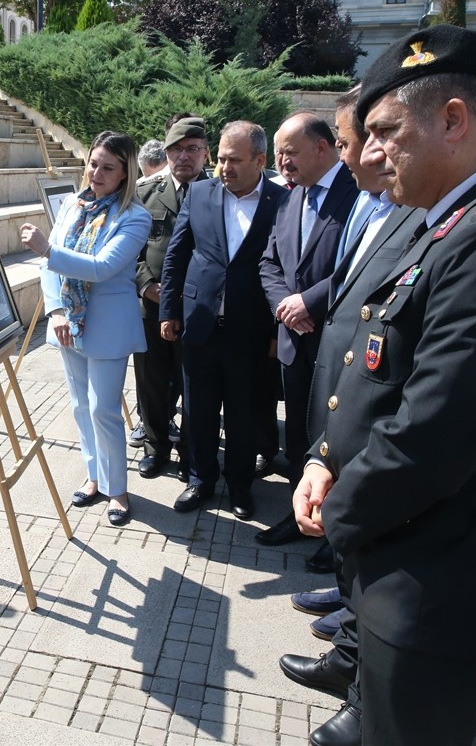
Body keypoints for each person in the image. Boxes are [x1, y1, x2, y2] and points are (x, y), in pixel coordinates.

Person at [292, 24, 476, 746]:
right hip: (408, 555)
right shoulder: (447, 220)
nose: (374, 150)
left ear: (453, 120)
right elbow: (377, 364)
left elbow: (436, 429)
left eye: (388, 132)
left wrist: (341, 517)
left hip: (440, 577)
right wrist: (325, 457)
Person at [277, 87, 424, 728]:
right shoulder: (384, 203)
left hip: (380, 413)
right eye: (349, 140)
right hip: (342, 387)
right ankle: (349, 640)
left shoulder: (422, 212)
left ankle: (365, 686)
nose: (356, 153)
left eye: (360, 139)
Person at [18, 131, 149, 526]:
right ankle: (95, 477)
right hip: (68, 324)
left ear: (126, 173)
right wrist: (55, 310)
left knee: (103, 409)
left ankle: (118, 491)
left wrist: (47, 249)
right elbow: (49, 270)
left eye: (108, 167)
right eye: (93, 163)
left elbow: (102, 268)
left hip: (107, 326)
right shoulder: (74, 206)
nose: (97, 173)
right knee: (79, 406)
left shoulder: (135, 217)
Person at [160, 121, 288, 518]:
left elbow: (286, 267)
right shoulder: (199, 194)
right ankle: (200, 479)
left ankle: (239, 486)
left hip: (250, 332)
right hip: (199, 324)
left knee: (242, 413)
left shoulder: (281, 202)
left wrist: (275, 331)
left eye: (235, 160)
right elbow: (176, 256)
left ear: (261, 161)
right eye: (221, 158)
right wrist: (169, 310)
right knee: (198, 411)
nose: (224, 167)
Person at [256, 112, 358, 545]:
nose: (283, 162)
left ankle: (335, 529)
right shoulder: (289, 198)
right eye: (279, 153)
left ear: (323, 147)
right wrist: (285, 305)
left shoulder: (359, 191)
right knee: (297, 430)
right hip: (293, 338)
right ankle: (299, 516)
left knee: (337, 438)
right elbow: (270, 262)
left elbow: (365, 264)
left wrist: (309, 301)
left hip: (339, 340)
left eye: (291, 152)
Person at [133, 116, 210, 480]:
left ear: (206, 154)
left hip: (198, 310)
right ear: (165, 153)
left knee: (194, 384)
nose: (184, 157)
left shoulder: (220, 194)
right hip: (150, 307)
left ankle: (189, 454)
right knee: (151, 381)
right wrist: (146, 284)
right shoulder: (144, 194)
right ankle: (155, 447)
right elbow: (128, 249)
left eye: (192, 149)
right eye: (176, 149)